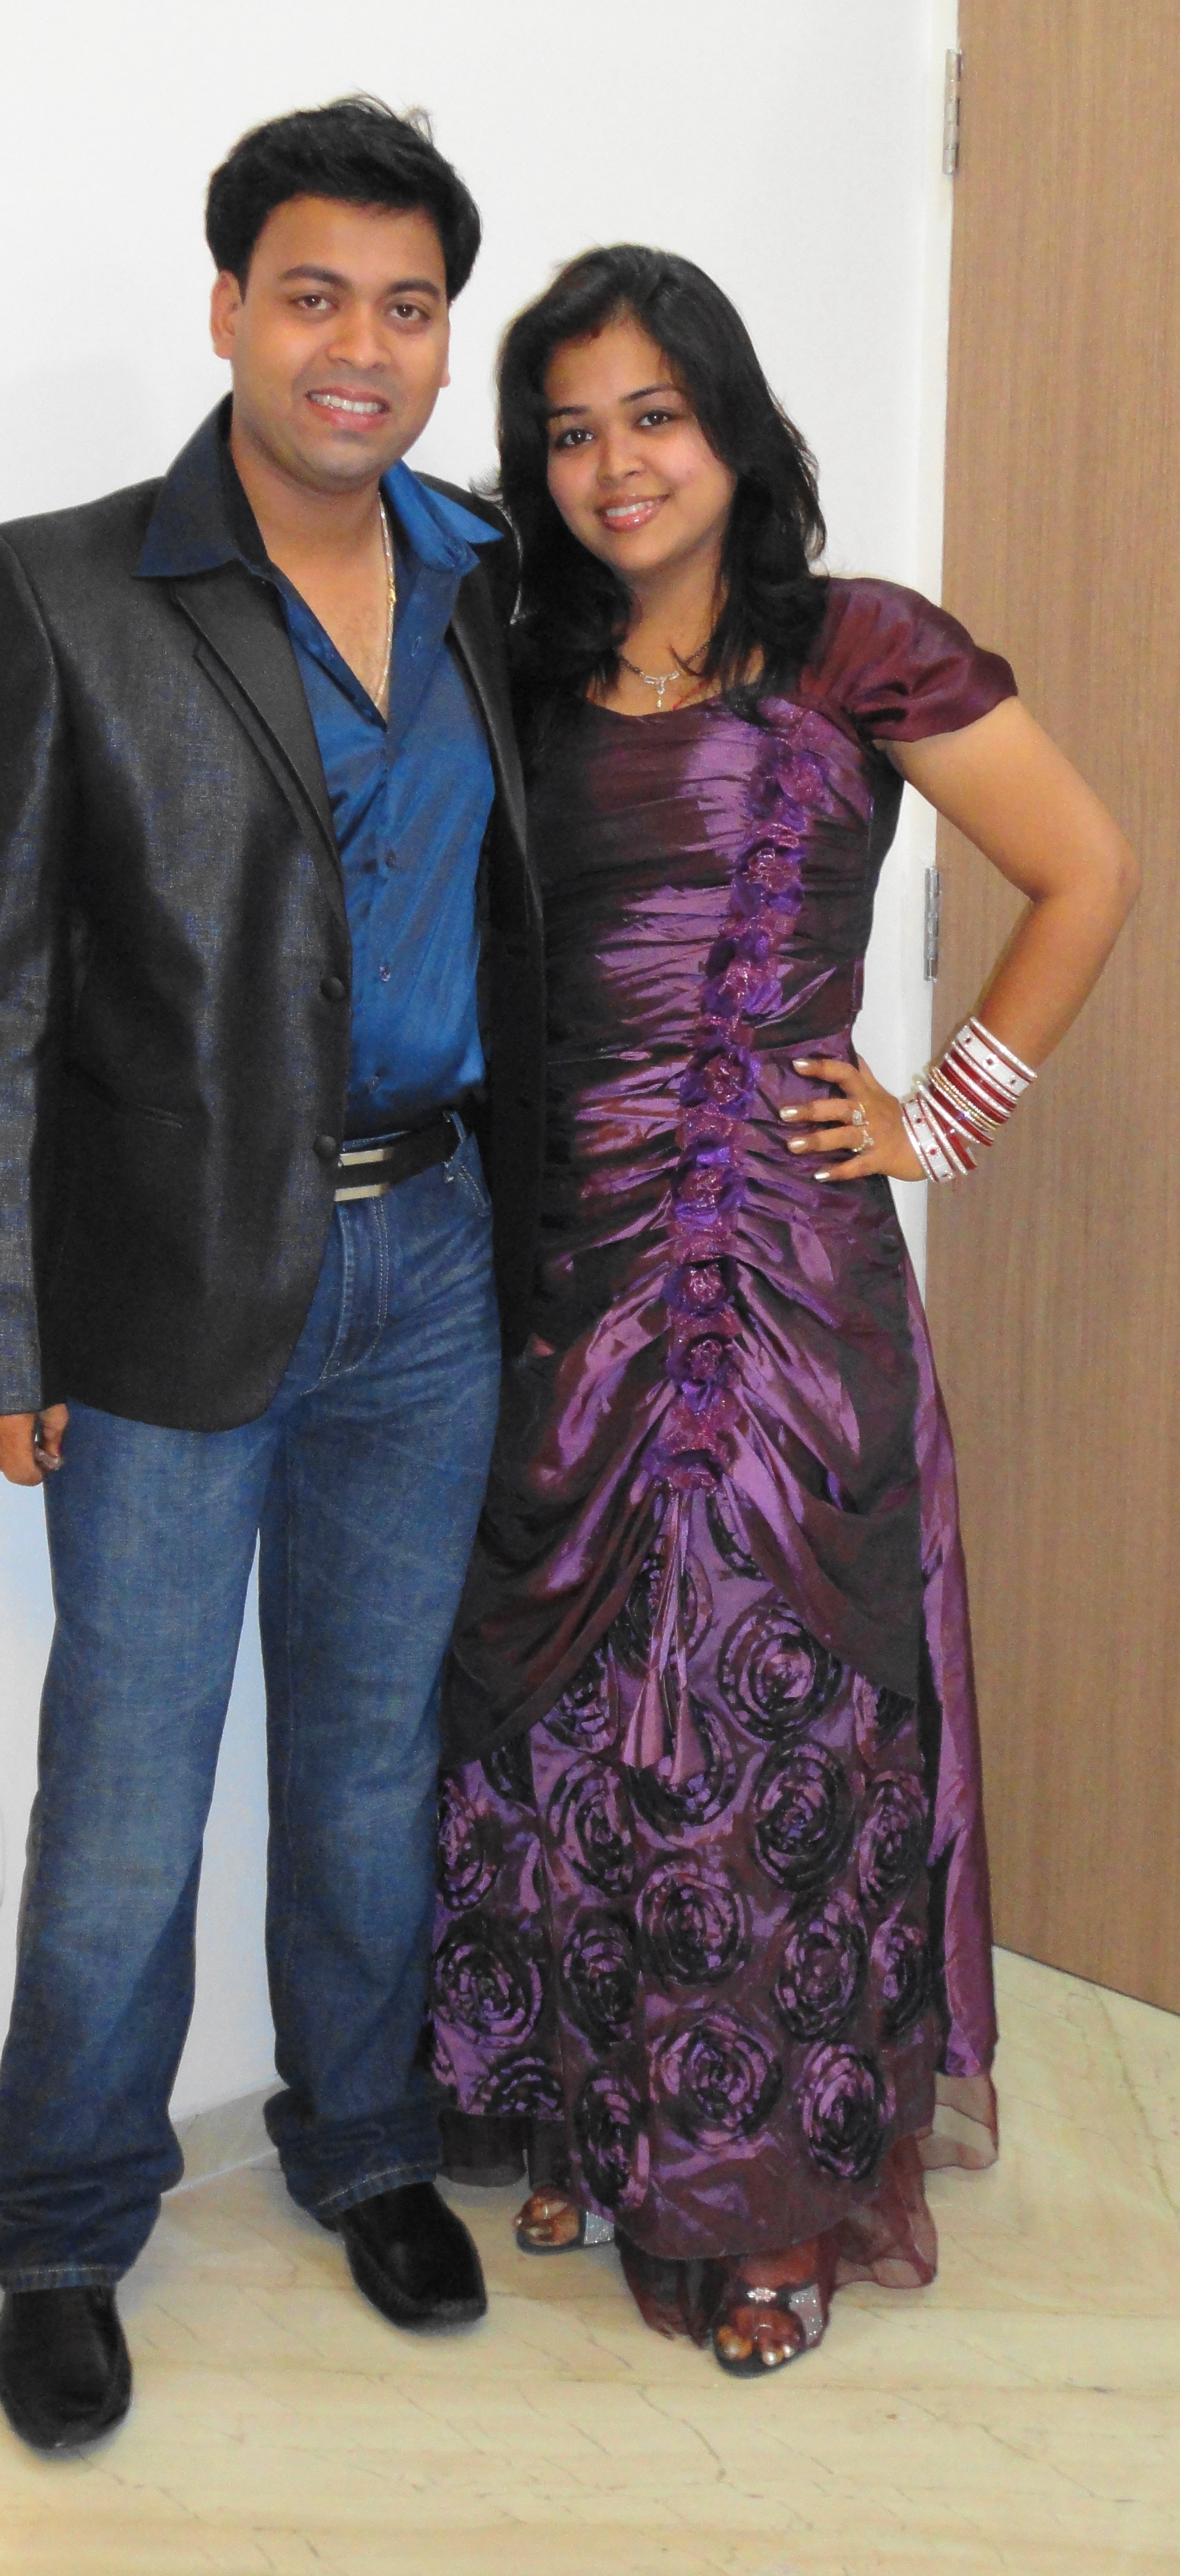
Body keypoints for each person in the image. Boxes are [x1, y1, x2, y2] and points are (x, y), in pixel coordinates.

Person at [0, 98, 543, 2452]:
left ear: (443, 338)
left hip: (435, 1259)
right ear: (228, 311)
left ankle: (364, 2143)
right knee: (127, 1798)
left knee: (372, 1764)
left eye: (405, 306)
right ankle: (67, 2226)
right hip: (167, 1286)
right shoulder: (60, 590)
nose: (358, 347)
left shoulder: (490, 580)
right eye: (312, 295)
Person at [432, 244, 1138, 2373]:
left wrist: (942, 1115)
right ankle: (600, 2108)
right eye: (571, 432)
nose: (616, 466)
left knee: (767, 1720)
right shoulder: (516, 673)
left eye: (654, 415)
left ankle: (775, 2189)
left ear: (732, 424)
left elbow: (1089, 869)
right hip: (564, 1270)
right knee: (569, 1714)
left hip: (779, 1279)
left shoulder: (856, 647)